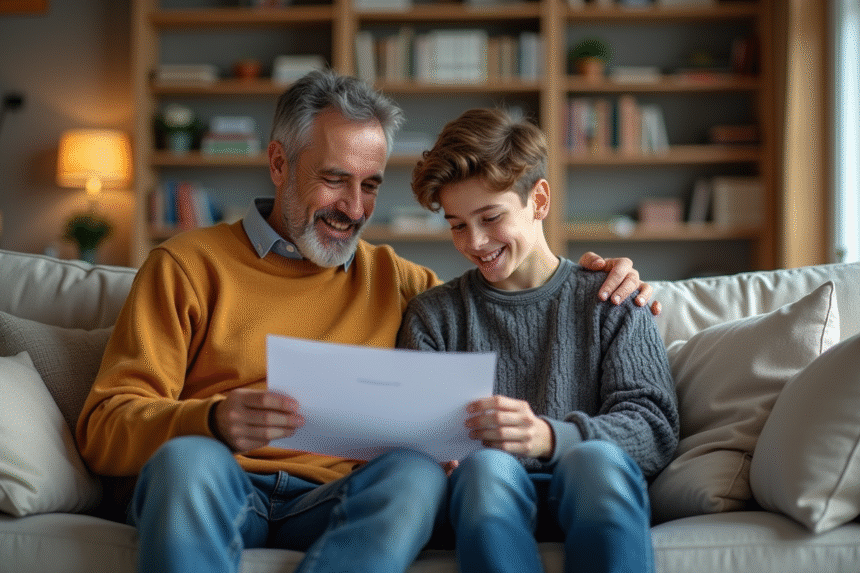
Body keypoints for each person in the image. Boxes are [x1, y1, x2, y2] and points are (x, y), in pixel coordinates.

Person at [76, 70, 658, 573]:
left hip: (338, 499)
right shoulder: (184, 266)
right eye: (334, 179)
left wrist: (604, 277)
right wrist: (213, 420)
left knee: (413, 474)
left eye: (370, 185)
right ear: (278, 164)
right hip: (218, 479)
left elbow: (499, 299)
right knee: (186, 460)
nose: (354, 209)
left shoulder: (402, 284)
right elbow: (104, 428)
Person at [398, 108, 680, 573]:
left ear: (539, 199)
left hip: (590, 488)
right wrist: (439, 457)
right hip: (482, 500)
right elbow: (415, 441)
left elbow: (654, 428)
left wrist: (549, 436)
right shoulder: (435, 316)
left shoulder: (612, 297)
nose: (476, 241)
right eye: (456, 225)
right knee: (486, 469)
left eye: (490, 217)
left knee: (594, 462)